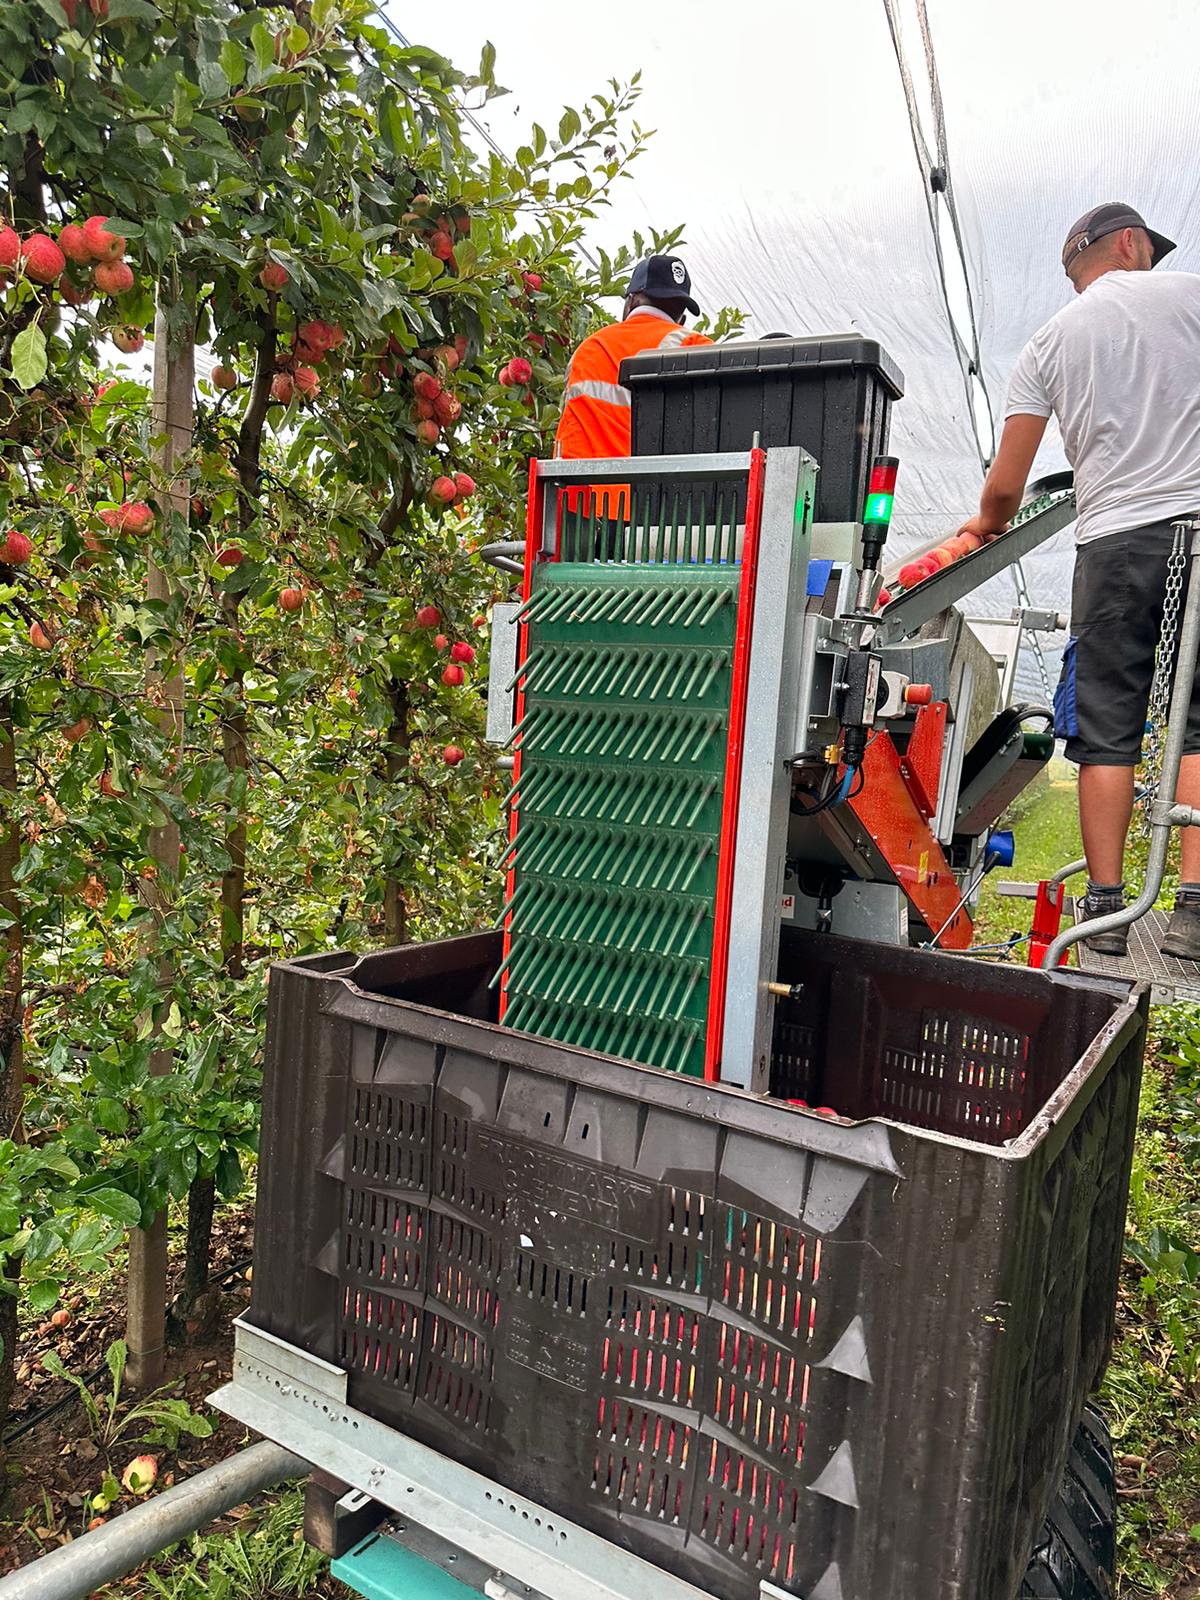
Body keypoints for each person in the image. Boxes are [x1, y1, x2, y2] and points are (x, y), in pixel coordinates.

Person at [959, 201, 1200, 958]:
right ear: (1129, 244)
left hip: (1113, 548)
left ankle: (1104, 913)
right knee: (1197, 725)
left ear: (1078, 267)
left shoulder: (1049, 341)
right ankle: (1193, 912)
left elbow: (1005, 488)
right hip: (1198, 530)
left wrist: (983, 526)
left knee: (1107, 733)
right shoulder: (1191, 296)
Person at [554, 254, 712, 466]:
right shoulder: (695, 346)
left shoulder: (588, 349)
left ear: (631, 301)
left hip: (576, 492)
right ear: (681, 319)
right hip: (644, 495)